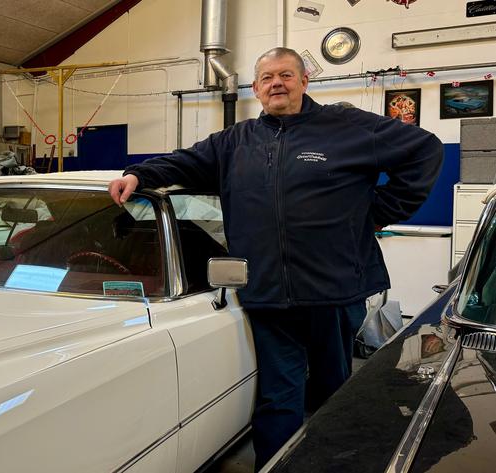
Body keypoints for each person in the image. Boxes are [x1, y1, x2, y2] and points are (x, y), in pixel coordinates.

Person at [108, 47, 443, 470]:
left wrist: (376, 212)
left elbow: (426, 150)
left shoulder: (347, 127)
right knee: (278, 396)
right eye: (267, 78)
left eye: (285, 75)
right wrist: (139, 174)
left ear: (304, 81)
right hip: (266, 293)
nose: (276, 84)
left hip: (332, 290)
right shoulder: (235, 141)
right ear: (256, 88)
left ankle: (334, 464)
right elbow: (186, 162)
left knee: (333, 392)